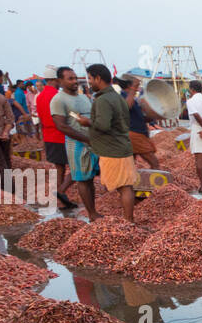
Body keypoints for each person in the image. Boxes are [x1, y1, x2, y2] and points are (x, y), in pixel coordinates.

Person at [83, 64, 138, 221]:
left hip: (113, 150)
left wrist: (87, 122)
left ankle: (129, 221)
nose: (89, 82)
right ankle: (129, 220)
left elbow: (103, 125)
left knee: (124, 187)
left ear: (98, 78)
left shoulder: (104, 100)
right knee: (125, 185)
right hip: (121, 146)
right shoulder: (116, 97)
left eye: (90, 78)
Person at [48, 67, 100, 220]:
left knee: (90, 178)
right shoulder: (59, 99)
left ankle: (93, 210)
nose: (74, 81)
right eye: (70, 79)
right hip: (76, 144)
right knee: (82, 178)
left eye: (75, 78)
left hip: (92, 142)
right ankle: (92, 213)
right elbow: (62, 126)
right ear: (60, 81)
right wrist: (85, 139)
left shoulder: (84, 97)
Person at [36, 65, 77, 210]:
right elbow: (68, 116)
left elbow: (41, 119)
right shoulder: (57, 96)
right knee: (76, 166)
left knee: (59, 167)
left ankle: (60, 198)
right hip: (61, 135)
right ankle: (61, 192)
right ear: (56, 79)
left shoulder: (39, 96)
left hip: (48, 135)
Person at [120, 77, 161, 170]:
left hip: (137, 134)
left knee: (130, 165)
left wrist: (155, 116)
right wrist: (134, 88)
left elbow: (139, 118)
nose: (138, 86)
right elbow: (126, 108)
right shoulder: (123, 96)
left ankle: (130, 183)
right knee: (154, 163)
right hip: (134, 134)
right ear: (129, 85)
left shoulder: (133, 99)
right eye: (136, 84)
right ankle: (157, 184)